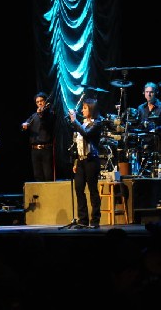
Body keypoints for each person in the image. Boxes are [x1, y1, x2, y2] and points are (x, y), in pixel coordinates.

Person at [68, 97, 103, 229]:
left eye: (85, 108)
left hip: (91, 160)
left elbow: (87, 134)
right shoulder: (82, 123)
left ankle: (95, 220)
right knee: (78, 188)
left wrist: (74, 120)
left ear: (91, 109)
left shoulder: (97, 123)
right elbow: (78, 145)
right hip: (81, 161)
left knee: (93, 190)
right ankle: (83, 219)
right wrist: (76, 162)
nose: (82, 110)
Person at [136, 82, 161, 174]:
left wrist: (157, 128)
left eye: (151, 92)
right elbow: (137, 125)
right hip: (145, 139)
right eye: (147, 92)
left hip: (159, 139)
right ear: (144, 93)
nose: (149, 94)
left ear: (156, 93)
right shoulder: (140, 108)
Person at [21, 92, 55, 182]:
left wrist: (41, 114)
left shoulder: (50, 114)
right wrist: (24, 126)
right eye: (37, 102)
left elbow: (47, 125)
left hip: (46, 149)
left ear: (45, 102)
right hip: (35, 149)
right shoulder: (34, 115)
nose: (39, 103)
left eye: (41, 101)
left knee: (48, 174)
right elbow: (25, 125)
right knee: (37, 175)